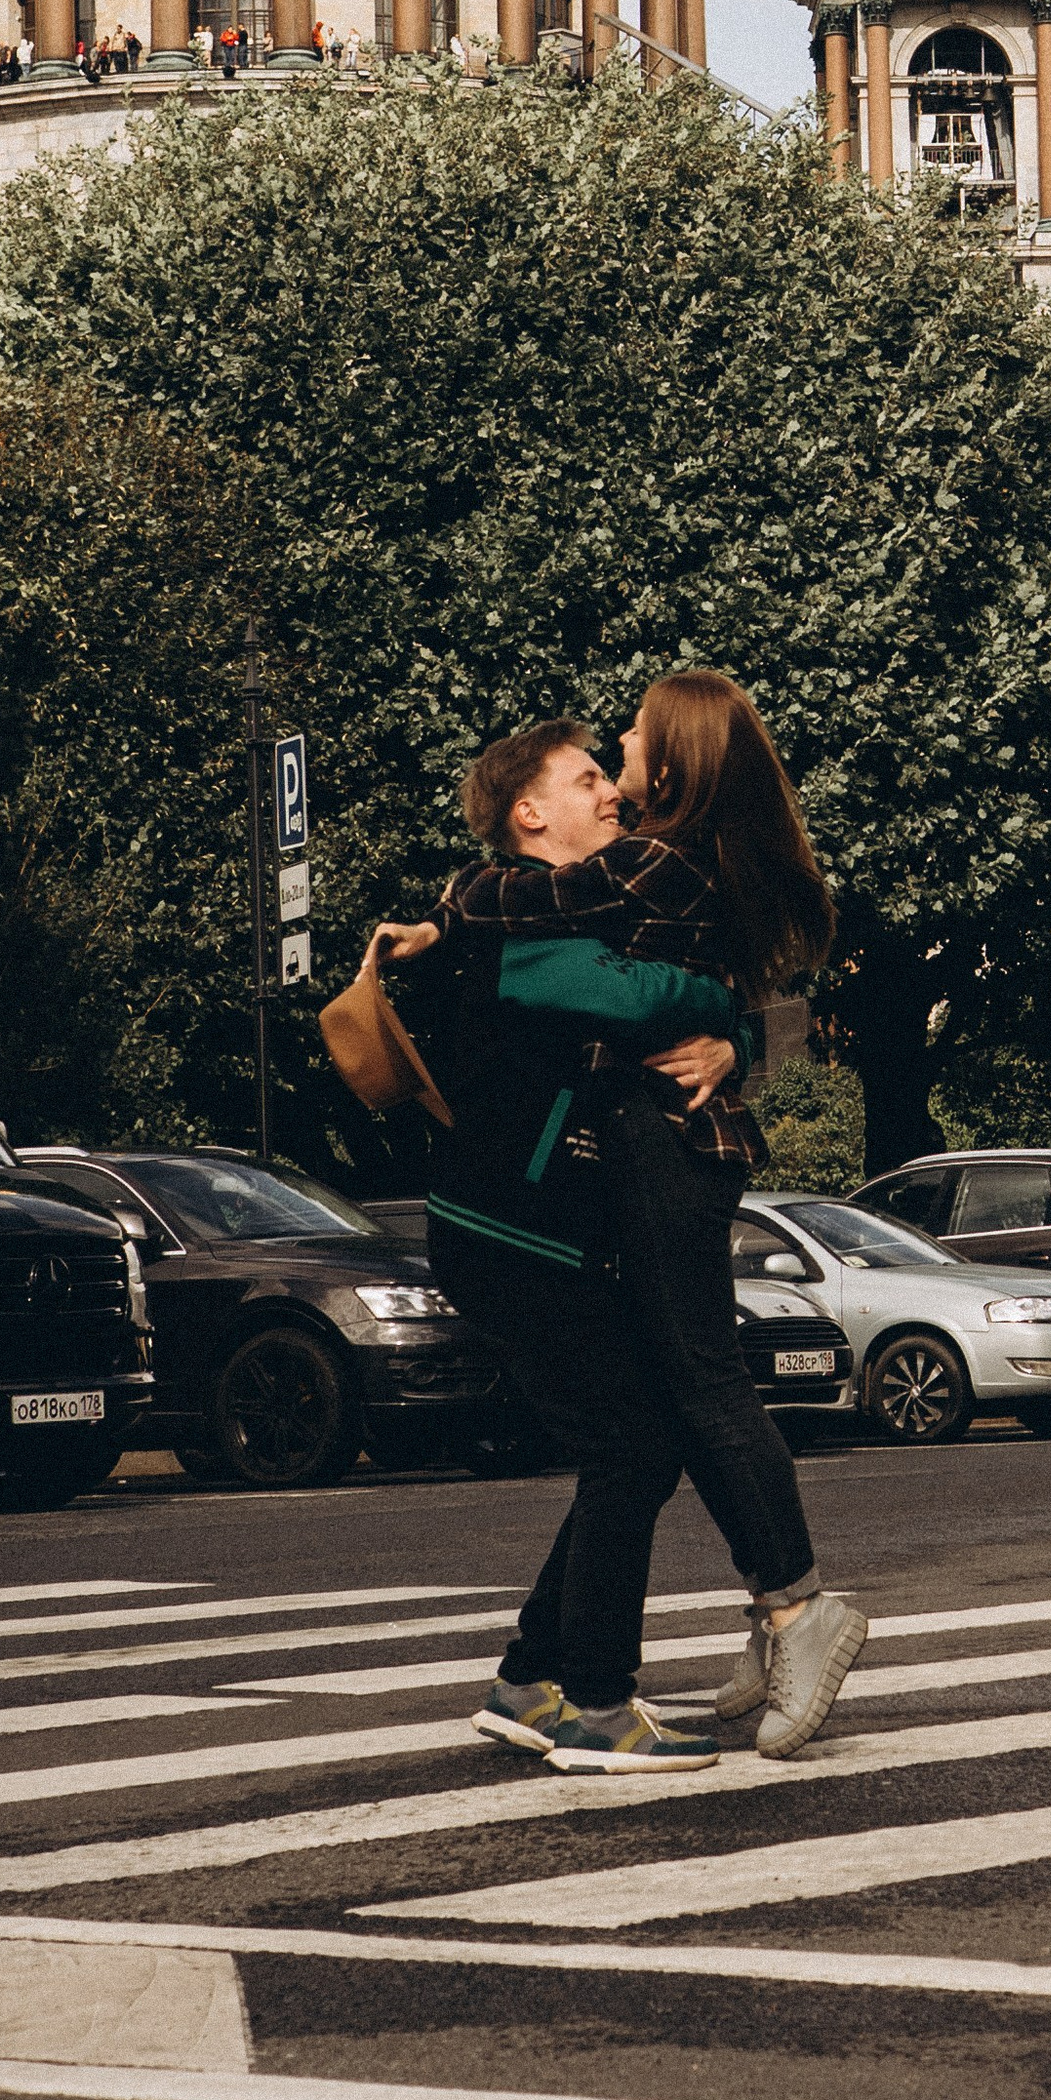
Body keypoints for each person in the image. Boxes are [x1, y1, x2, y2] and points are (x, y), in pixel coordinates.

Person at [470, 671, 868, 1759]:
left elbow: (614, 976)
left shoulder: (646, 865)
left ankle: (790, 1608)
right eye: (592, 765)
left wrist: (449, 906)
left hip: (658, 1149)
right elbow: (617, 978)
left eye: (630, 744)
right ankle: (553, 1672)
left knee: (690, 1387)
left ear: (677, 761)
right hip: (588, 1179)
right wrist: (732, 1018)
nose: (619, 760)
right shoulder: (664, 867)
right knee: (659, 1416)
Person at [385, 719, 752, 1776]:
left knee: (633, 1445)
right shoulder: (515, 926)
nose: (612, 797)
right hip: (510, 1235)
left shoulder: (528, 915)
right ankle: (591, 1698)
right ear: (528, 813)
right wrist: (725, 1006)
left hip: (532, 1233)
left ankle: (530, 1679)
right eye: (588, 781)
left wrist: (736, 1035)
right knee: (631, 1444)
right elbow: (633, 998)